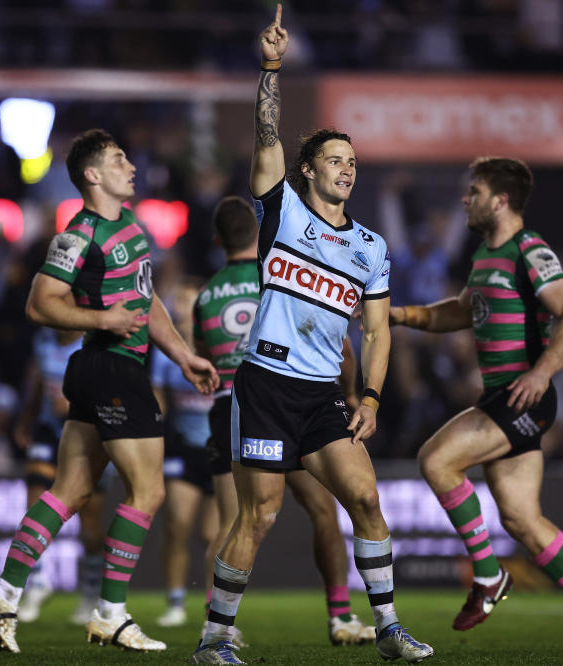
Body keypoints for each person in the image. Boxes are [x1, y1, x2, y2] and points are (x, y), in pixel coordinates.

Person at [193, 7, 432, 663]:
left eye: (352, 161)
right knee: (260, 515)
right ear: (307, 171)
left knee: (365, 498)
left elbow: (378, 332)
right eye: (334, 159)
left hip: (324, 394)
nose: (347, 169)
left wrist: (373, 398)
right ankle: (214, 638)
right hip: (266, 386)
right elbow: (265, 135)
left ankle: (387, 628)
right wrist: (270, 68)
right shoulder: (283, 213)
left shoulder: (371, 248)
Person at [0, 128, 218, 654]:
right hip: (110, 371)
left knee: (70, 491)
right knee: (147, 493)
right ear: (92, 174)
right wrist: (102, 318)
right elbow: (40, 304)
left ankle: (3, 591)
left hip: (108, 369)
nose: (132, 165)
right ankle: (110, 614)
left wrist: (184, 355)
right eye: (120, 159)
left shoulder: (131, 225)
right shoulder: (77, 234)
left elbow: (147, 305)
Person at [390, 156, 563, 648]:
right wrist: (402, 314)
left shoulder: (529, 250)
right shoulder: (483, 256)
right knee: (521, 519)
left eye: (473, 191)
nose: (464, 199)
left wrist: (542, 372)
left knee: (436, 460)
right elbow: (460, 311)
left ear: (500, 200)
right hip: (504, 398)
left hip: (522, 398)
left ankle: (488, 577)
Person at [194, 195, 376, 648]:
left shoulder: (205, 295)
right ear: (259, 233)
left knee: (235, 520)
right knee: (323, 512)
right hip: (299, 396)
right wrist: (352, 394)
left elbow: (204, 356)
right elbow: (341, 346)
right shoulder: (279, 267)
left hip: (234, 405)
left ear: (216, 239)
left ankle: (217, 625)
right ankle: (340, 616)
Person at [12, 326, 105, 625]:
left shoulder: (94, 344)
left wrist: (75, 403)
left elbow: (109, 391)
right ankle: (37, 582)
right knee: (34, 502)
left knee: (90, 526)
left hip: (86, 433)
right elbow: (40, 382)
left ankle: (91, 590)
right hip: (48, 430)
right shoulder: (42, 339)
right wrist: (26, 417)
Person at [150, 280, 218, 629]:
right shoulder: (166, 356)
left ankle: (213, 609)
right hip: (182, 449)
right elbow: (158, 403)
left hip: (219, 450)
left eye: (189, 305)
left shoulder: (221, 349)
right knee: (176, 526)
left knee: (214, 536)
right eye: (177, 306)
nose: (182, 312)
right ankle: (175, 602)